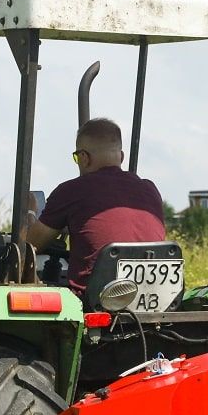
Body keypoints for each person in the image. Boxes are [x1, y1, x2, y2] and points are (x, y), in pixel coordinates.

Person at [26, 117, 165, 292]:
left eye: (77, 157)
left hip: (96, 298)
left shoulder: (72, 190)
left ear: (84, 158)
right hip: (154, 296)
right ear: (121, 157)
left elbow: (29, 246)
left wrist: (30, 211)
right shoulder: (150, 189)